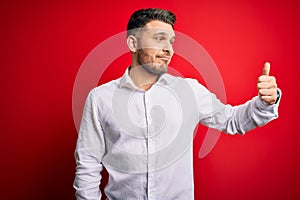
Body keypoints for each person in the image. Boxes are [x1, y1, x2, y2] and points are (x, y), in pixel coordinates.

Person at [73, 8, 281, 200]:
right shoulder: (100, 98)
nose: (168, 49)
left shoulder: (189, 90)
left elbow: (233, 121)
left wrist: (265, 102)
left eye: (171, 41)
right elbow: (88, 165)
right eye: (159, 39)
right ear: (133, 44)